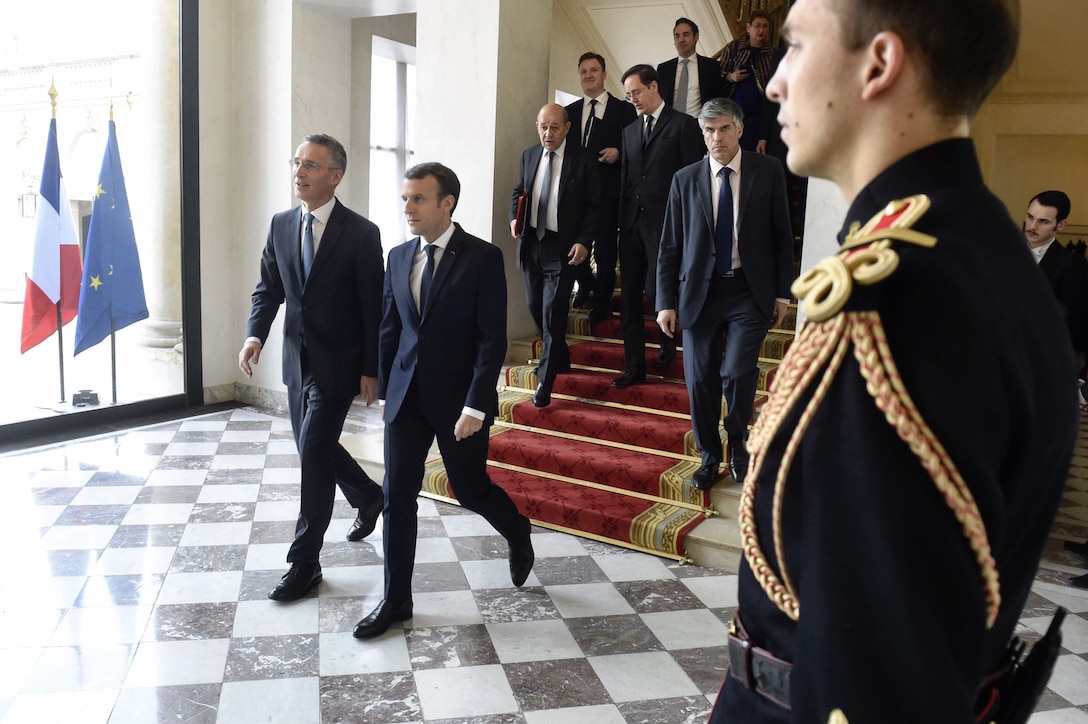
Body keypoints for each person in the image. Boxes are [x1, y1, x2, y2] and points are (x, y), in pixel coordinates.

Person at [711, 0, 1078, 721]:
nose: (776, 84)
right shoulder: (982, 250)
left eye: (795, 47)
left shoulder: (896, 297)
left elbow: (876, 674)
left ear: (879, 63)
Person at [355, 162, 534, 639]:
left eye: (417, 199)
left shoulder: (481, 257)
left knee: (470, 488)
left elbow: (490, 339)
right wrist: (382, 384)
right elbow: (391, 326)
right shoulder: (397, 257)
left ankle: (517, 531)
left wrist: (476, 406)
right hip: (406, 398)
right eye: (404, 199)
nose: (408, 208)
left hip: (460, 403)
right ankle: (396, 601)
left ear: (446, 203)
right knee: (397, 496)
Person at [239, 133, 385, 602]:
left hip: (340, 365)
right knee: (315, 450)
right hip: (295, 364)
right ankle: (367, 495)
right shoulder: (282, 224)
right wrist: (254, 334)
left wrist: (371, 367)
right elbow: (269, 288)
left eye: (310, 165)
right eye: (296, 162)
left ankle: (305, 563)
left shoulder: (362, 233)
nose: (299, 172)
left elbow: (372, 308)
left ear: (335, 176)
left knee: (314, 454)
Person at [656, 98, 793, 490]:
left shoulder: (767, 172)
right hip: (699, 293)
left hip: (750, 291)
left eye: (724, 129)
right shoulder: (684, 179)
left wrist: (782, 294)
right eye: (709, 131)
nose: (717, 138)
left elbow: (782, 237)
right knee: (699, 380)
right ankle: (709, 455)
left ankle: (738, 442)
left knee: (735, 371)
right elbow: (669, 247)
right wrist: (666, 301)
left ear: (739, 130)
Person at [614, 64, 704, 388]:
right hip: (632, 225)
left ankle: (668, 339)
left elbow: (695, 181)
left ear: (654, 87)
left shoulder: (684, 125)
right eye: (628, 95)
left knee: (657, 290)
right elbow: (626, 180)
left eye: (636, 92)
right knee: (629, 300)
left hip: (667, 225)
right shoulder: (629, 131)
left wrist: (689, 225)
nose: (633, 99)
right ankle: (634, 367)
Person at [510, 104, 601, 408]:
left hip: (562, 249)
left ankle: (545, 382)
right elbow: (518, 192)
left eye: (554, 127)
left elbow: (594, 206)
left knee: (553, 314)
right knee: (537, 309)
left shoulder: (584, 160)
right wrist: (515, 218)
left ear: (567, 128)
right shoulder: (529, 156)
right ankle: (559, 357)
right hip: (532, 244)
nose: (548, 134)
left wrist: (584, 241)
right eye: (543, 127)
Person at [565, 52, 638, 325]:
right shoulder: (570, 112)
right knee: (574, 243)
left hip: (609, 189)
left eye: (594, 70)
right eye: (583, 71)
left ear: (604, 74)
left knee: (606, 248)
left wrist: (619, 152)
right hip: (576, 192)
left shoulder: (624, 109)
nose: (588, 75)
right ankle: (585, 283)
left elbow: (637, 145)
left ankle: (602, 300)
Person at [1024, 190, 1088, 372]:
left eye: (1043, 221)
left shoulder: (1073, 265)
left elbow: (1078, 324)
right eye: (1030, 217)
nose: (1032, 226)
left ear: (1060, 225)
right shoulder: (1004, 254)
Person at [718, 10, 775, 152]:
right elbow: (717, 75)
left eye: (765, 26)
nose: (761, 30)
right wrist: (731, 77)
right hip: (734, 109)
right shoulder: (734, 48)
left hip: (760, 112)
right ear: (749, 28)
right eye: (757, 25)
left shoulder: (772, 53)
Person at [656, 17, 728, 119]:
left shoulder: (711, 66)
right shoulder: (664, 69)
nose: (681, 40)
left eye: (686, 34)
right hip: (670, 126)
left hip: (699, 125)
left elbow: (718, 99)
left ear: (696, 37)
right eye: (677, 36)